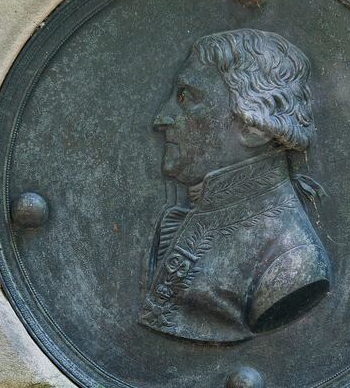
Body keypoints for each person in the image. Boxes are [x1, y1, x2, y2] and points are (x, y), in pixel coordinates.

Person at [139, 28, 332, 343]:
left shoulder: (291, 262)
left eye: (186, 97)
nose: (162, 118)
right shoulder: (180, 222)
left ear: (252, 127)